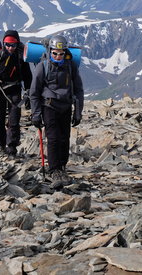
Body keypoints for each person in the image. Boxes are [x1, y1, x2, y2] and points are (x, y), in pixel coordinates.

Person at [29, 35, 84, 188]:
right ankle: (54, 170)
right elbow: (34, 92)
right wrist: (36, 114)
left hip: (65, 107)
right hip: (49, 106)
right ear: (50, 51)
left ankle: (62, 167)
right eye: (55, 53)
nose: (58, 56)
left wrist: (78, 112)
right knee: (53, 138)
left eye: (61, 53)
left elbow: (79, 89)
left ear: (65, 52)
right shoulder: (43, 67)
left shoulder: (70, 66)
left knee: (64, 138)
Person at [0, 30, 32, 156]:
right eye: (7, 45)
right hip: (0, 90)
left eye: (13, 45)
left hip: (15, 90)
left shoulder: (21, 58)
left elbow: (28, 76)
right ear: (3, 43)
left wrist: (28, 93)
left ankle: (11, 147)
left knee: (14, 120)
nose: (10, 48)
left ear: (17, 44)